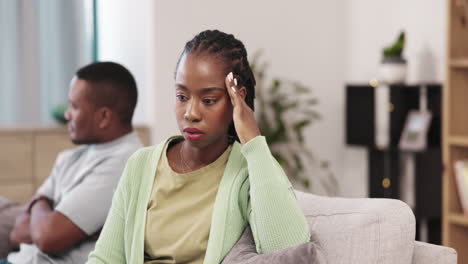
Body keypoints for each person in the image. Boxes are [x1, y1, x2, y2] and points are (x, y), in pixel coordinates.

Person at [87, 30, 310, 264]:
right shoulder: (140, 165)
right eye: (182, 97)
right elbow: (105, 258)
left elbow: (287, 247)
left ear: (237, 99)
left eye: (208, 100)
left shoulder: (247, 171)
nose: (190, 113)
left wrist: (253, 140)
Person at [1, 62, 143, 264]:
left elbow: (47, 238)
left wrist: (41, 202)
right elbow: (17, 233)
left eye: (74, 107)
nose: (67, 115)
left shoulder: (126, 164)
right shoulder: (70, 157)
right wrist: (46, 209)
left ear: (103, 117)